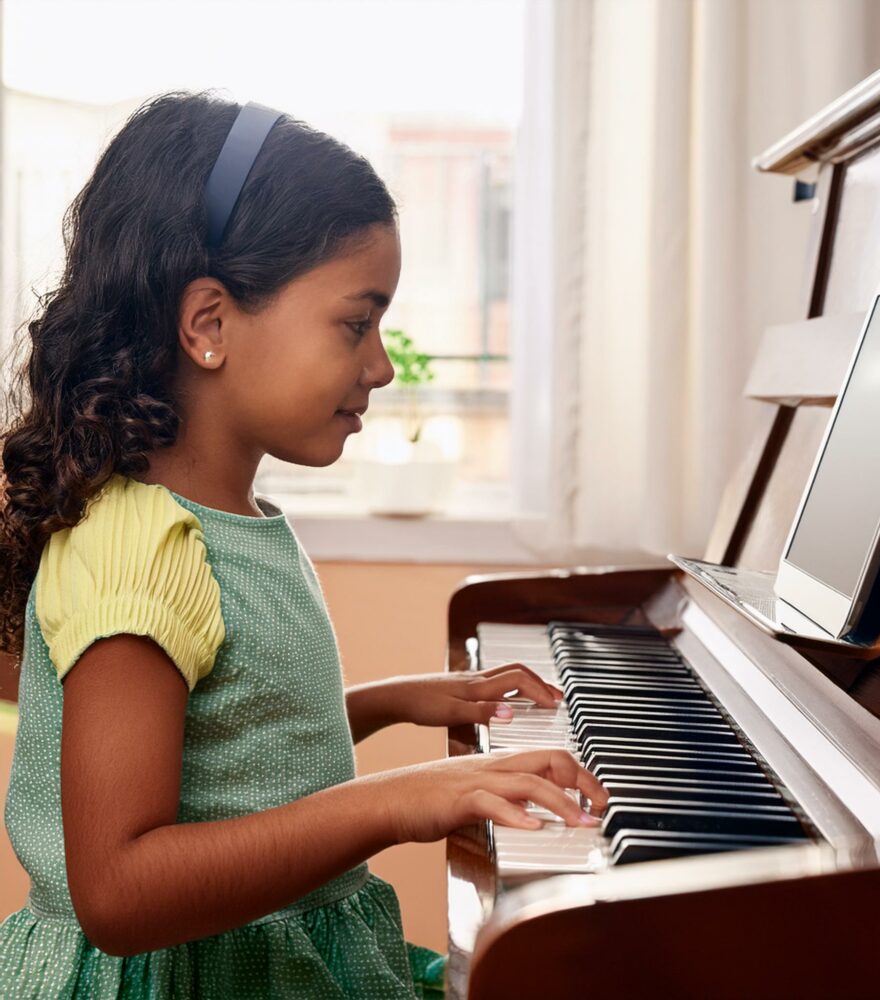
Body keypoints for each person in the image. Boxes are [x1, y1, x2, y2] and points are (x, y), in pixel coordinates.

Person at [0, 90, 609, 999]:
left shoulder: (218, 514)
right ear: (209, 325)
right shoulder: (138, 546)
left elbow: (235, 747)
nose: (382, 365)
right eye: (355, 323)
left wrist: (403, 700)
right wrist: (397, 802)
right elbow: (118, 893)